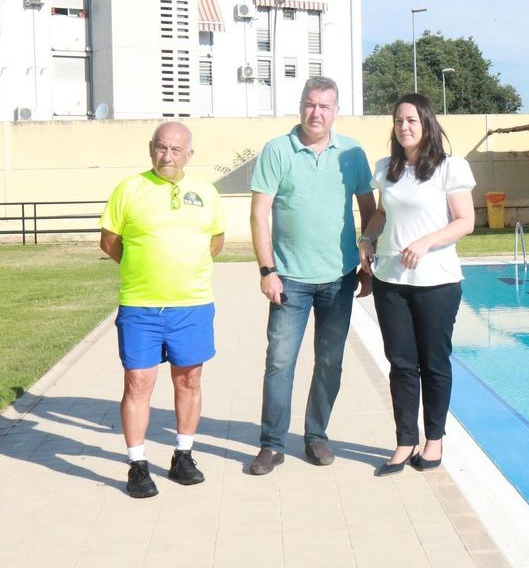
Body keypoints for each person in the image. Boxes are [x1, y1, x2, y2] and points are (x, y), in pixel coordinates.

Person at [248, 76, 374, 475]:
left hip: (339, 278)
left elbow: (370, 212)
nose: (316, 113)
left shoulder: (352, 152)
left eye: (324, 106)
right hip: (290, 280)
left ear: (335, 110)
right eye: (310, 104)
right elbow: (259, 214)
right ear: (300, 105)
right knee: (280, 362)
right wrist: (267, 270)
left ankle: (316, 435)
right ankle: (271, 444)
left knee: (329, 363)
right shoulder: (277, 150)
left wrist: (368, 266)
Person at [98, 121, 226, 498]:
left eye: (175, 150)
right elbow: (110, 242)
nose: (167, 156)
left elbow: (215, 241)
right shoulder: (129, 189)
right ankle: (137, 464)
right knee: (138, 382)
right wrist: (143, 267)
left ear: (189, 154)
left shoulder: (205, 192)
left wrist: (186, 269)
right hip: (140, 306)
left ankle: (183, 455)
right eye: (161, 148)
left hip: (192, 305)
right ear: (150, 148)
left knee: (189, 379)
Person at [360, 94, 475, 476]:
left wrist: (426, 241)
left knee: (434, 364)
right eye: (398, 121)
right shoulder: (386, 169)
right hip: (391, 282)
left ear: (426, 123)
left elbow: (465, 222)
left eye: (411, 120)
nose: (404, 126)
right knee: (401, 365)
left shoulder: (449, 169)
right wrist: (366, 239)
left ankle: (434, 439)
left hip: (437, 283)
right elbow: (380, 213)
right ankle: (405, 440)